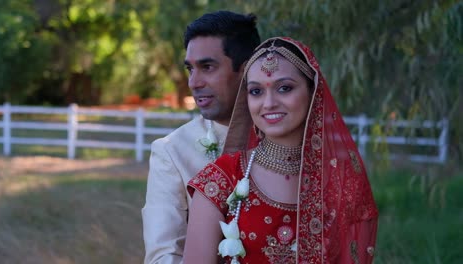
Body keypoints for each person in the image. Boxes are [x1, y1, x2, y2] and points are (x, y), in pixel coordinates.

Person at [184, 37, 379, 263]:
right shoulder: (221, 179)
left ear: (313, 92)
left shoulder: (343, 182)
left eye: (284, 88)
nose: (268, 103)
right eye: (256, 91)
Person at [141, 11, 260, 264]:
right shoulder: (172, 151)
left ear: (247, 69)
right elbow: (163, 255)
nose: (194, 82)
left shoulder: (286, 141)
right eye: (189, 69)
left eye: (207, 67)